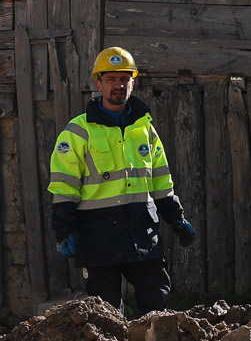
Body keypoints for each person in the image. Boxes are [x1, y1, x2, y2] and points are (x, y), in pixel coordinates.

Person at [48, 47, 196, 315]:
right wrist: (63, 230)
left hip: (143, 231)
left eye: (124, 79)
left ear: (133, 82)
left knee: (157, 303)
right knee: (106, 314)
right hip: (98, 237)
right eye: (111, 79)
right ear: (98, 84)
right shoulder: (77, 132)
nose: (119, 85)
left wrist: (176, 218)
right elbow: (64, 187)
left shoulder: (145, 129)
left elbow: (161, 181)